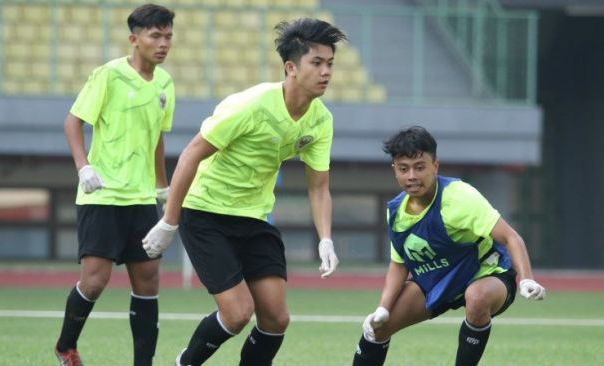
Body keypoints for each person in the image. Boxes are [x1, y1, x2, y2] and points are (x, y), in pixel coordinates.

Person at [142, 17, 346, 366]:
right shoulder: (250, 105)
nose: (326, 71)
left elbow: (320, 186)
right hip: (206, 213)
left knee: (276, 319)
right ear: (291, 67)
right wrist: (169, 222)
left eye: (330, 63)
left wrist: (325, 238)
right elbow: (192, 152)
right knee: (237, 314)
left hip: (253, 217)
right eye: (317, 62)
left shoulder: (320, 120)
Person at [352, 126, 546, 366]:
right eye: (404, 169)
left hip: (486, 272)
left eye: (420, 167)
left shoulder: (459, 197)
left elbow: (511, 238)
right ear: (395, 171)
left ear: (435, 165)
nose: (411, 176)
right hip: (437, 280)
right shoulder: (396, 211)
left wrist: (526, 279)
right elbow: (399, 264)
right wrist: (383, 308)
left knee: (476, 298)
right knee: (377, 329)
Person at [54, 4, 176, 366]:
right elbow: (72, 123)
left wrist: (163, 187)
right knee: (94, 282)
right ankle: (65, 346)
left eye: (168, 36)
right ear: (134, 39)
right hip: (102, 194)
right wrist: (83, 167)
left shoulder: (166, 84)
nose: (163, 43)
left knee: (149, 282)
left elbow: (157, 139)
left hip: (141, 199)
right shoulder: (108, 75)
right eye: (155, 35)